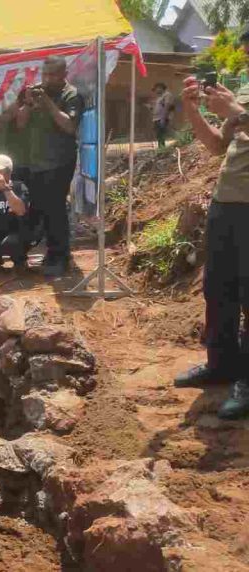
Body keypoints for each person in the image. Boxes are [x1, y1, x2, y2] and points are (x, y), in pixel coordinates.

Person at [171, 63, 249, 420]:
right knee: (218, 289)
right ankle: (221, 365)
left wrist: (235, 111)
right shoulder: (245, 92)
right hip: (227, 204)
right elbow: (219, 146)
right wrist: (193, 111)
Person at [10, 55, 84, 277]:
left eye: (53, 74)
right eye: (45, 74)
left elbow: (70, 126)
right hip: (37, 163)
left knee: (56, 209)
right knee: (42, 209)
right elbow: (20, 124)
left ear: (64, 74)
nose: (47, 79)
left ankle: (60, 257)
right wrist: (28, 104)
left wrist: (49, 104)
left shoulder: (71, 95)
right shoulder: (35, 93)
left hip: (60, 161)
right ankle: (54, 253)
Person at [152, 83, 176, 149]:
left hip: (161, 118)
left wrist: (163, 118)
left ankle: (162, 148)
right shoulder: (160, 97)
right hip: (157, 118)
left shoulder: (167, 95)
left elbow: (167, 106)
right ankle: (161, 148)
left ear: (160, 88)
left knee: (161, 134)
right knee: (158, 135)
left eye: (156, 89)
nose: (156, 91)